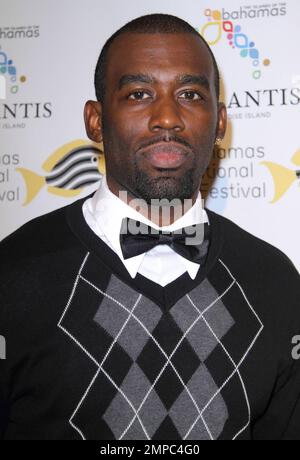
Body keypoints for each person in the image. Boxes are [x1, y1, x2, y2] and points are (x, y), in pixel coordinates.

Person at [0, 13, 300, 441]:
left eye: (191, 94)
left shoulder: (274, 282)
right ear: (95, 121)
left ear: (219, 122)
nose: (166, 118)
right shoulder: (13, 274)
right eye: (139, 93)